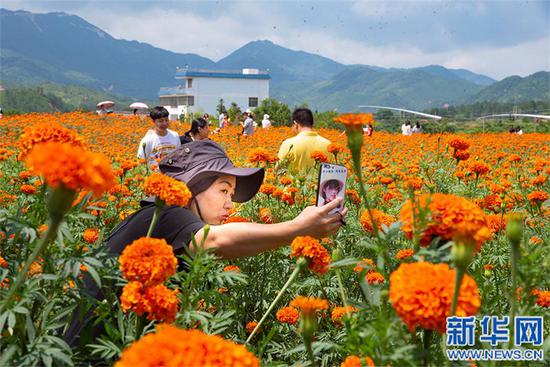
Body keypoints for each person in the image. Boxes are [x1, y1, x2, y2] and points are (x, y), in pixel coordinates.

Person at [63, 140, 347, 346]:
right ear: (189, 188)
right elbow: (215, 242)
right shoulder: (164, 215)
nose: (229, 203)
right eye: (224, 190)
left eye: (231, 193)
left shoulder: (163, 223)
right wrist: (297, 228)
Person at [278, 108, 331, 173]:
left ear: (295, 124)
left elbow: (279, 170)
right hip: (320, 183)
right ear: (312, 123)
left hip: (295, 182)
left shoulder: (288, 144)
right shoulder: (328, 145)